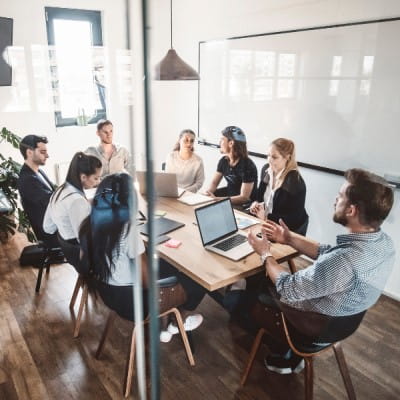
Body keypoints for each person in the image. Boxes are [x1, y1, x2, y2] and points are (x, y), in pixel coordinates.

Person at [247, 168, 395, 374]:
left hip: (314, 330)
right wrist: (289, 238)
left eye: (340, 196)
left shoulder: (343, 261)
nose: (335, 199)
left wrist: (265, 253)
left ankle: (282, 350)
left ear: (352, 211)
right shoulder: (383, 244)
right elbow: (327, 252)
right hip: (345, 323)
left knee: (253, 292)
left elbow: (288, 287)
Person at [79, 173, 206, 341]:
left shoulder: (89, 225)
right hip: (135, 304)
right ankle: (176, 323)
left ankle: (173, 319)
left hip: (110, 295)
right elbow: (148, 283)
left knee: (165, 264)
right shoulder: (127, 230)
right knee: (198, 278)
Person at [249, 138, 308, 234]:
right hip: (264, 224)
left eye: (274, 157)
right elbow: (259, 197)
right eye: (268, 155)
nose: (269, 160)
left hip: (283, 232)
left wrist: (266, 216)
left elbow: (294, 219)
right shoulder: (266, 170)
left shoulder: (295, 182)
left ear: (287, 157)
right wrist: (255, 204)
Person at [43, 152, 102, 245]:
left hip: (68, 246)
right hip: (80, 251)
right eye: (96, 178)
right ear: (83, 177)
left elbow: (48, 227)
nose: (99, 182)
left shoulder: (59, 191)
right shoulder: (77, 200)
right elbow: (84, 239)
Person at [17, 135, 58, 248]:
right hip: (52, 235)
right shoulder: (28, 180)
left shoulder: (37, 172)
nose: (47, 155)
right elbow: (53, 202)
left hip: (55, 225)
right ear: (29, 152)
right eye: (42, 152)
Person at [205, 126, 258, 206]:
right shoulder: (224, 161)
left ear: (231, 143)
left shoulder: (248, 166)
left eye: (222, 139)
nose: (219, 142)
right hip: (229, 198)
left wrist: (217, 200)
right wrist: (208, 194)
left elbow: (244, 198)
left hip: (244, 205)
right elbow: (214, 183)